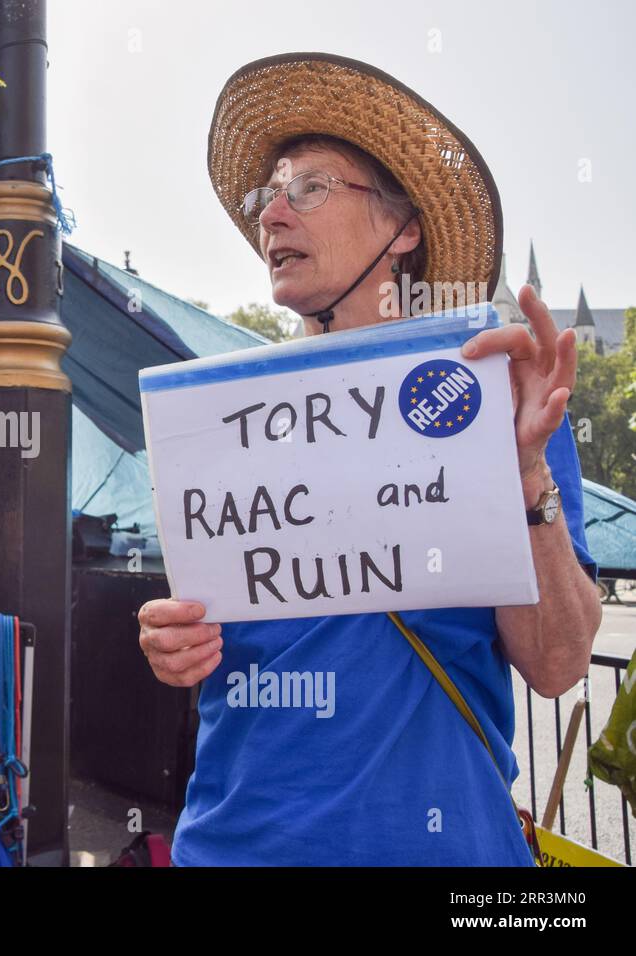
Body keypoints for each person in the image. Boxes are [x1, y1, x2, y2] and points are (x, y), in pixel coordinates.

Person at [138, 53, 602, 866]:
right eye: (265, 195)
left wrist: (525, 474)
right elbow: (215, 638)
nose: (272, 216)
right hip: (233, 847)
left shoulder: (497, 392)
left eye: (309, 187)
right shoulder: (220, 420)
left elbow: (560, 665)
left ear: (406, 228)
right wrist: (171, 641)